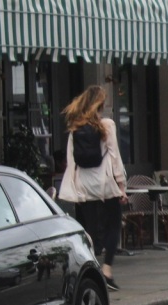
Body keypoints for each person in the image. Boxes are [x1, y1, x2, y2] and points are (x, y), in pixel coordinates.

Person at [59, 85, 126, 290]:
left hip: (84, 186)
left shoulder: (75, 128)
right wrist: (121, 185)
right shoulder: (106, 125)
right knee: (114, 224)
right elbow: (115, 157)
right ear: (99, 105)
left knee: (89, 229)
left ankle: (92, 269)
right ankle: (107, 270)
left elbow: (71, 163)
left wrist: (73, 189)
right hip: (105, 184)